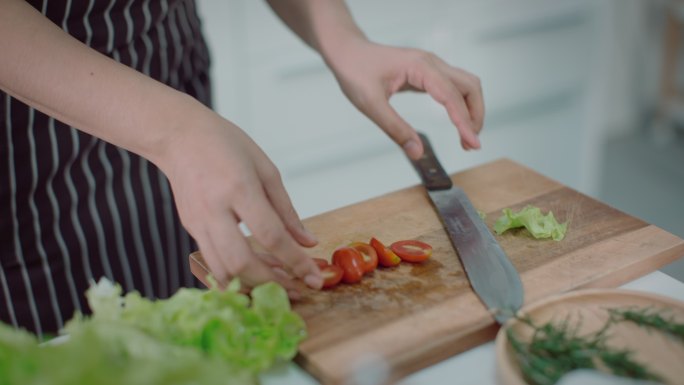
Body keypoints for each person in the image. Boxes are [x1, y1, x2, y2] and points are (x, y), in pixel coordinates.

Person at [0, 0, 484, 337]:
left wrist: (343, 39)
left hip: (167, 66)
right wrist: (172, 131)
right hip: (34, 136)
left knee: (184, 296)